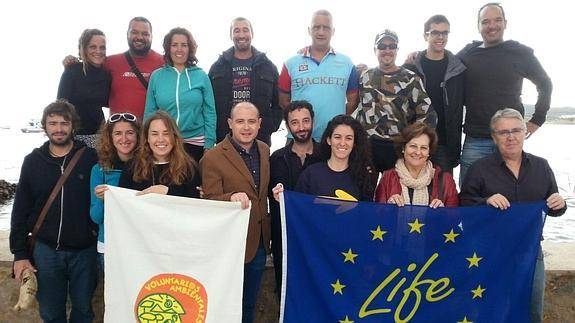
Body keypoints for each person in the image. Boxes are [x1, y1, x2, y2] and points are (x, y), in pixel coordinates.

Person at [459, 108, 566, 323]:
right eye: (503, 132)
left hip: (531, 251)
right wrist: (485, 202)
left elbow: (553, 206)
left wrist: (559, 204)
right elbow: (464, 207)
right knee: (490, 309)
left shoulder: (541, 166)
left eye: (516, 130)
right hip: (490, 251)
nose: (510, 137)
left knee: (532, 310)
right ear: (493, 137)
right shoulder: (479, 169)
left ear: (525, 132)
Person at [10, 100, 99, 322]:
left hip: (84, 251)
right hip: (46, 251)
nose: (58, 128)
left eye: (64, 123)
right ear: (45, 126)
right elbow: (20, 209)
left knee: (83, 311)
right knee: (51, 314)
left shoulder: (90, 158)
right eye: (53, 123)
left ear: (73, 126)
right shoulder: (32, 162)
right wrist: (19, 254)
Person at [457, 3, 552, 184]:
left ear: (505, 23)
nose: (492, 25)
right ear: (478, 26)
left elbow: (545, 84)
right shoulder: (468, 54)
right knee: (470, 195)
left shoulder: (520, 53)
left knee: (511, 195)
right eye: (485, 22)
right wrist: (417, 57)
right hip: (476, 139)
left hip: (510, 139)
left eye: (497, 20)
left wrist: (537, 119)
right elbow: (442, 62)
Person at [200, 102, 270, 323]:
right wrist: (229, 197)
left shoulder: (265, 150)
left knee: (249, 304)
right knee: (225, 303)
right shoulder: (212, 157)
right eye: (240, 121)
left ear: (259, 124)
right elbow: (208, 201)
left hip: (258, 242)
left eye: (251, 121)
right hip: (228, 246)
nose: (246, 127)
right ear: (230, 124)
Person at [355, 29, 436, 173]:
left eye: (391, 46)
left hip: (397, 148)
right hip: (368, 147)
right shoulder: (364, 76)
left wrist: (415, 143)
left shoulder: (410, 79)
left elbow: (427, 115)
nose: (387, 50)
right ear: (375, 50)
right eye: (382, 46)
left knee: (395, 194)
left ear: (397, 49)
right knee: (364, 191)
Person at [269, 100, 322, 300]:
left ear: (313, 122)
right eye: (295, 122)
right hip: (285, 239)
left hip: (318, 237)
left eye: (305, 121)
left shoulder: (325, 156)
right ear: (288, 125)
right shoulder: (276, 159)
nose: (301, 127)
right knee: (286, 291)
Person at [278, 10, 359, 141]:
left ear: (333, 31)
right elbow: (283, 102)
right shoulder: (290, 64)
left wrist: (335, 120)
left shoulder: (347, 63)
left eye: (326, 28)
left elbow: (353, 101)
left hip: (334, 141)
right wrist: (299, 124)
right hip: (299, 140)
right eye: (316, 27)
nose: (321, 32)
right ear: (309, 30)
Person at [403, 15, 466, 174]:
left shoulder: (458, 70)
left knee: (443, 194)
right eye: (435, 32)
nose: (440, 37)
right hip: (414, 142)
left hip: (444, 144)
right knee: (412, 193)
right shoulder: (410, 68)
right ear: (426, 35)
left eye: (445, 33)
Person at [145, 27, 216, 163]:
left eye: (184, 45)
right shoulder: (157, 76)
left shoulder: (201, 76)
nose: (179, 49)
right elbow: (150, 112)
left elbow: (210, 111)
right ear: (168, 48)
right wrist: (146, 141)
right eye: (174, 45)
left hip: (196, 142)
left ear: (190, 48)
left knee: (194, 183)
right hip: (166, 141)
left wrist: (209, 143)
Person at [209, 17, 281, 146]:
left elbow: (278, 103)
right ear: (231, 35)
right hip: (226, 137)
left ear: (252, 34)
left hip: (259, 138)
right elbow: (209, 105)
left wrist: (270, 126)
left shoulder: (268, 66)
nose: (241, 35)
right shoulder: (217, 67)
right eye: (236, 30)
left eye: (245, 30)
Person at [90, 112, 140, 269]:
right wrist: (102, 200)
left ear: (138, 136)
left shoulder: (147, 167)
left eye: (129, 133)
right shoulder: (99, 170)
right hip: (109, 245)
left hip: (141, 244)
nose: (124, 139)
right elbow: (96, 218)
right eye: (118, 133)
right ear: (110, 138)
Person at [375, 122, 458, 207]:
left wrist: (443, 212)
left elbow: (454, 217)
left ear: (429, 152)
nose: (418, 152)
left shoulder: (445, 180)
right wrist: (389, 208)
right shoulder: (388, 177)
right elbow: (378, 215)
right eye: (413, 146)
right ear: (403, 148)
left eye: (424, 148)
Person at [294, 114, 375, 202]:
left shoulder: (362, 176)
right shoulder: (310, 174)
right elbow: (297, 207)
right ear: (329, 140)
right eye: (337, 137)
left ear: (354, 143)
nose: (342, 143)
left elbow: (368, 212)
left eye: (348, 138)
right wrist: (281, 196)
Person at [119, 111, 200, 198]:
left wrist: (169, 192)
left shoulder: (189, 168)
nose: (160, 139)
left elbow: (194, 204)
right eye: (154, 134)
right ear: (147, 138)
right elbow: (122, 200)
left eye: (166, 133)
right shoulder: (132, 166)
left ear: (175, 137)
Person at [57, 28, 111, 148]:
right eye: (93, 47)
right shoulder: (72, 70)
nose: (98, 51)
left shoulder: (106, 74)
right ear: (84, 48)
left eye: (102, 47)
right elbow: (60, 106)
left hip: (100, 135)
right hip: (75, 136)